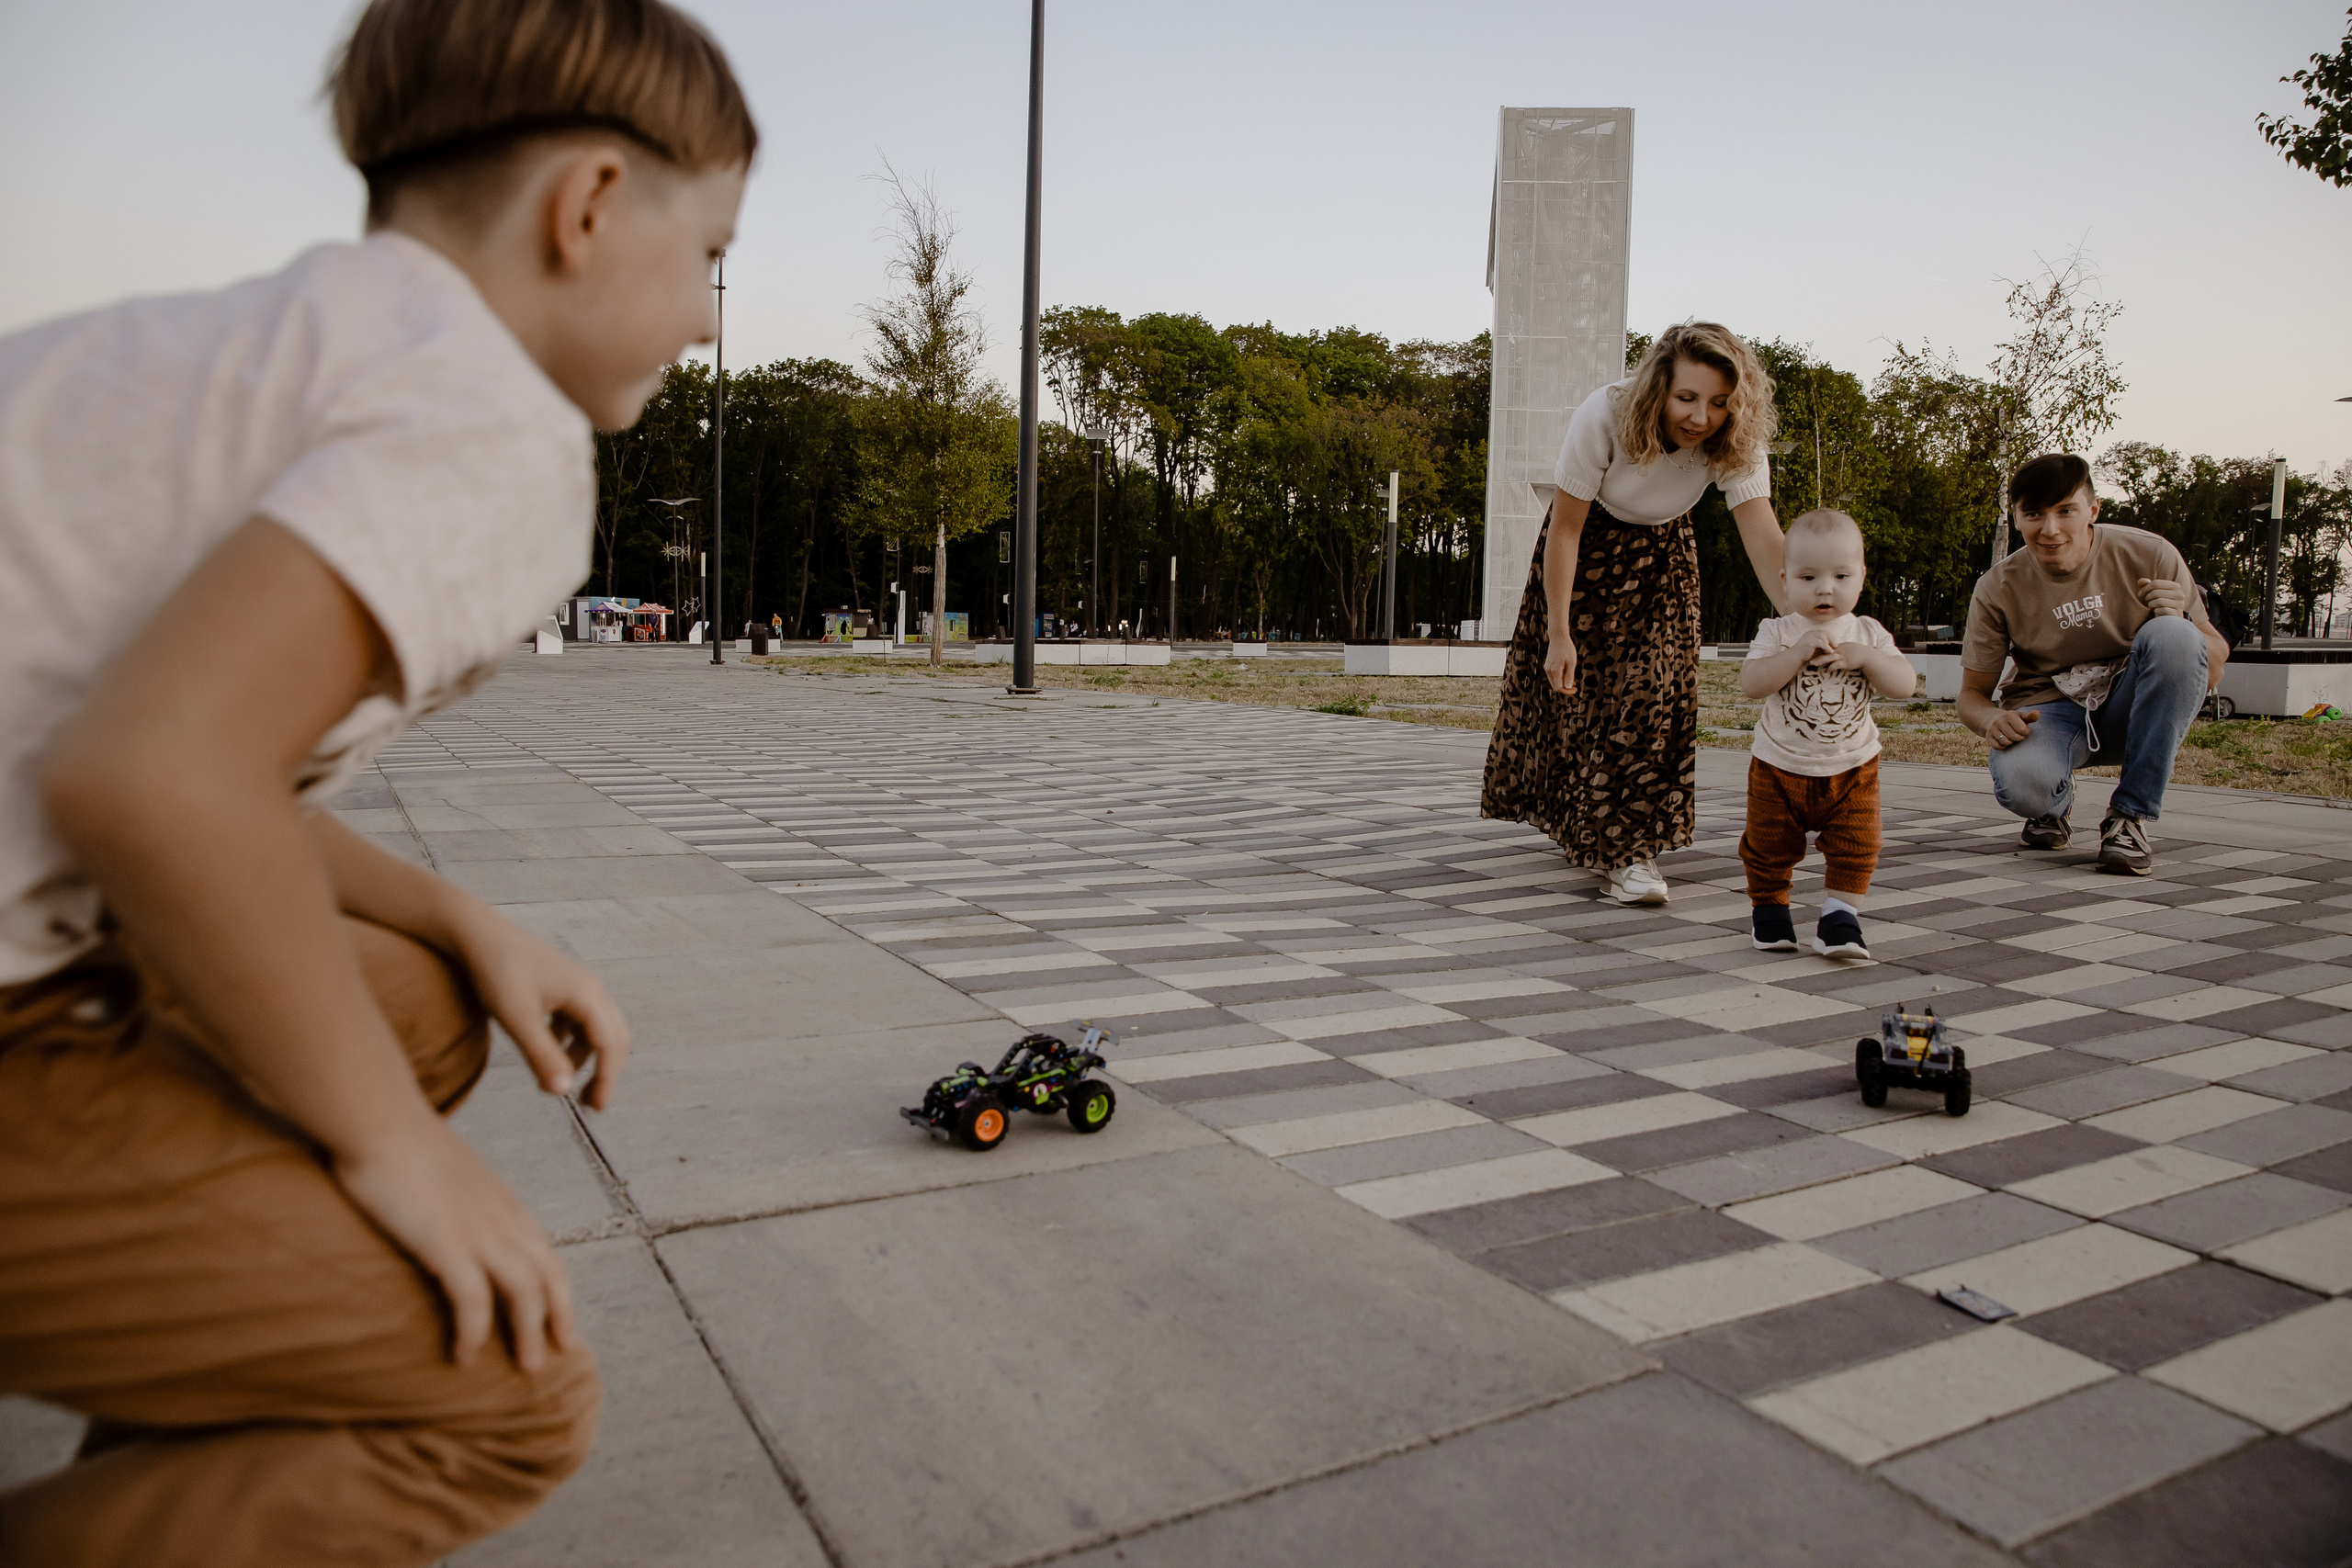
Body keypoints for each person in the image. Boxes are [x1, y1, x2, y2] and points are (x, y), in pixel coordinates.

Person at [0, 1, 754, 1562]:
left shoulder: (294, 339)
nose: (702, 320)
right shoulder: (491, 423)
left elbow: (188, 757)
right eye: (715, 259)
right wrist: (394, 1157)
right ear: (591, 204)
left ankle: (211, 1383)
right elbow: (153, 770)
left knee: (416, 999)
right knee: (503, 1399)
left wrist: (462, 912)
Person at [1483, 321, 1791, 905]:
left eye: (1720, 403)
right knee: (1580, 705)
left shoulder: (1737, 439)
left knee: (1652, 701)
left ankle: (1630, 853)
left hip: (1665, 557)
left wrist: (1809, 621)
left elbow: (1764, 537)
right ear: (1659, 388)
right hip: (1586, 555)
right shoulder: (1605, 414)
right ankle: (1587, 828)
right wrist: (1558, 633)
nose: (1701, 417)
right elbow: (1565, 530)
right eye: (1687, 398)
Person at [1959, 454, 2228, 875]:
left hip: (2132, 707)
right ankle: (2052, 805)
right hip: (2050, 710)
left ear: (2093, 509)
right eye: (2033, 514)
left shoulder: (2150, 554)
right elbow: (1971, 695)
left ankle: (2129, 816)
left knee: (2175, 636)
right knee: (2025, 786)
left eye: (2065, 511)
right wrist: (1990, 719)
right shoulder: (1997, 587)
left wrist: (2183, 620)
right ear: (2016, 517)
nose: (2050, 530)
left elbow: (2212, 666)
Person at [1736, 510, 1916, 959]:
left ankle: (1840, 917)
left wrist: (1869, 658)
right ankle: (1771, 911)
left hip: (1853, 768)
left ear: (1861, 576)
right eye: (1808, 576)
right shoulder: (1777, 631)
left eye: (1840, 575)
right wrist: (1795, 654)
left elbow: (1904, 685)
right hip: (1779, 767)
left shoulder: (1868, 633)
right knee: (1767, 844)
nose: (1825, 588)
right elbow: (1751, 682)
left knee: (1860, 844)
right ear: (1785, 579)